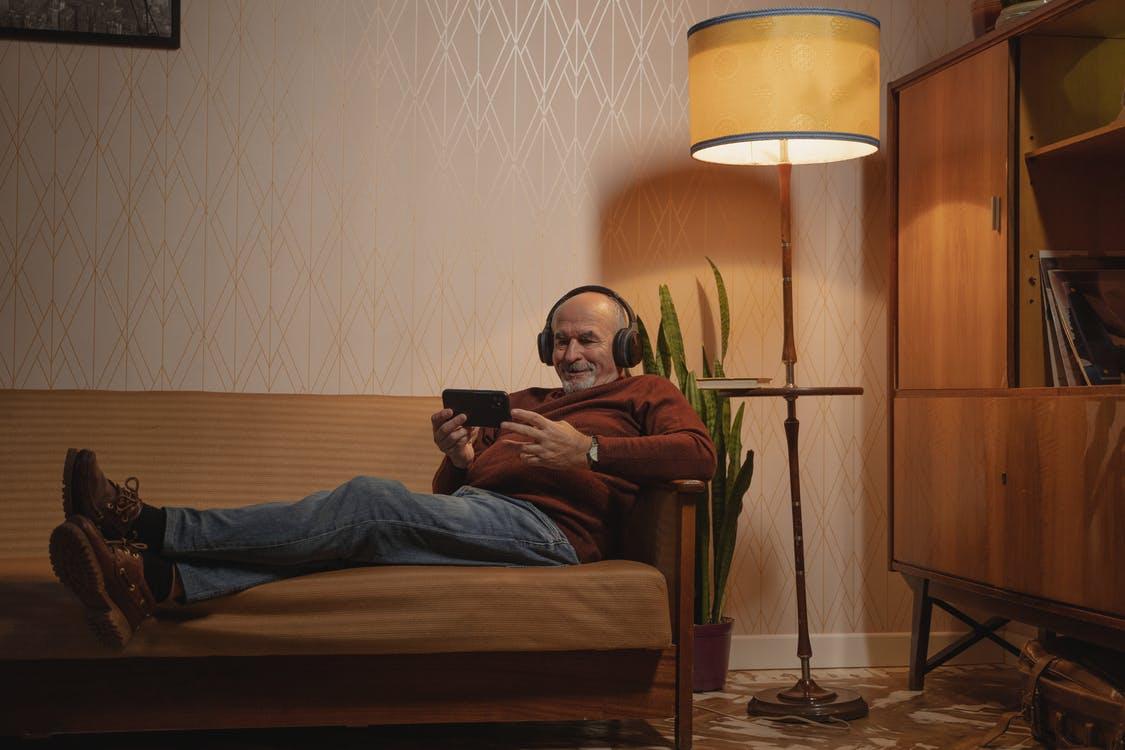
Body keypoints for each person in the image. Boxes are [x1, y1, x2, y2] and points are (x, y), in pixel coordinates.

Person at [49, 286, 716, 648]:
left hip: (552, 537)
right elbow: (449, 499)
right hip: (488, 520)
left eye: (587, 339)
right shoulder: (521, 403)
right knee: (356, 538)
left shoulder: (644, 392)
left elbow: (699, 455)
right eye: (560, 339)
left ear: (622, 347)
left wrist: (589, 451)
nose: (570, 352)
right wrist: (457, 460)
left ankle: (145, 522)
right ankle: (152, 583)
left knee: (368, 501)